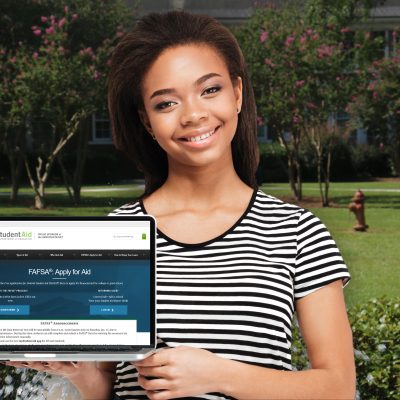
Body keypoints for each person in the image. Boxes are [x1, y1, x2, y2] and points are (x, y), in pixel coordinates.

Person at [6, 10, 356, 400]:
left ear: (237, 94)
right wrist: (77, 372)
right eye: (166, 103)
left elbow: (338, 387)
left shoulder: (297, 231)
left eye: (210, 90)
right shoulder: (116, 236)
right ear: (146, 121)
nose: (193, 115)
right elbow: (106, 387)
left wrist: (217, 374)